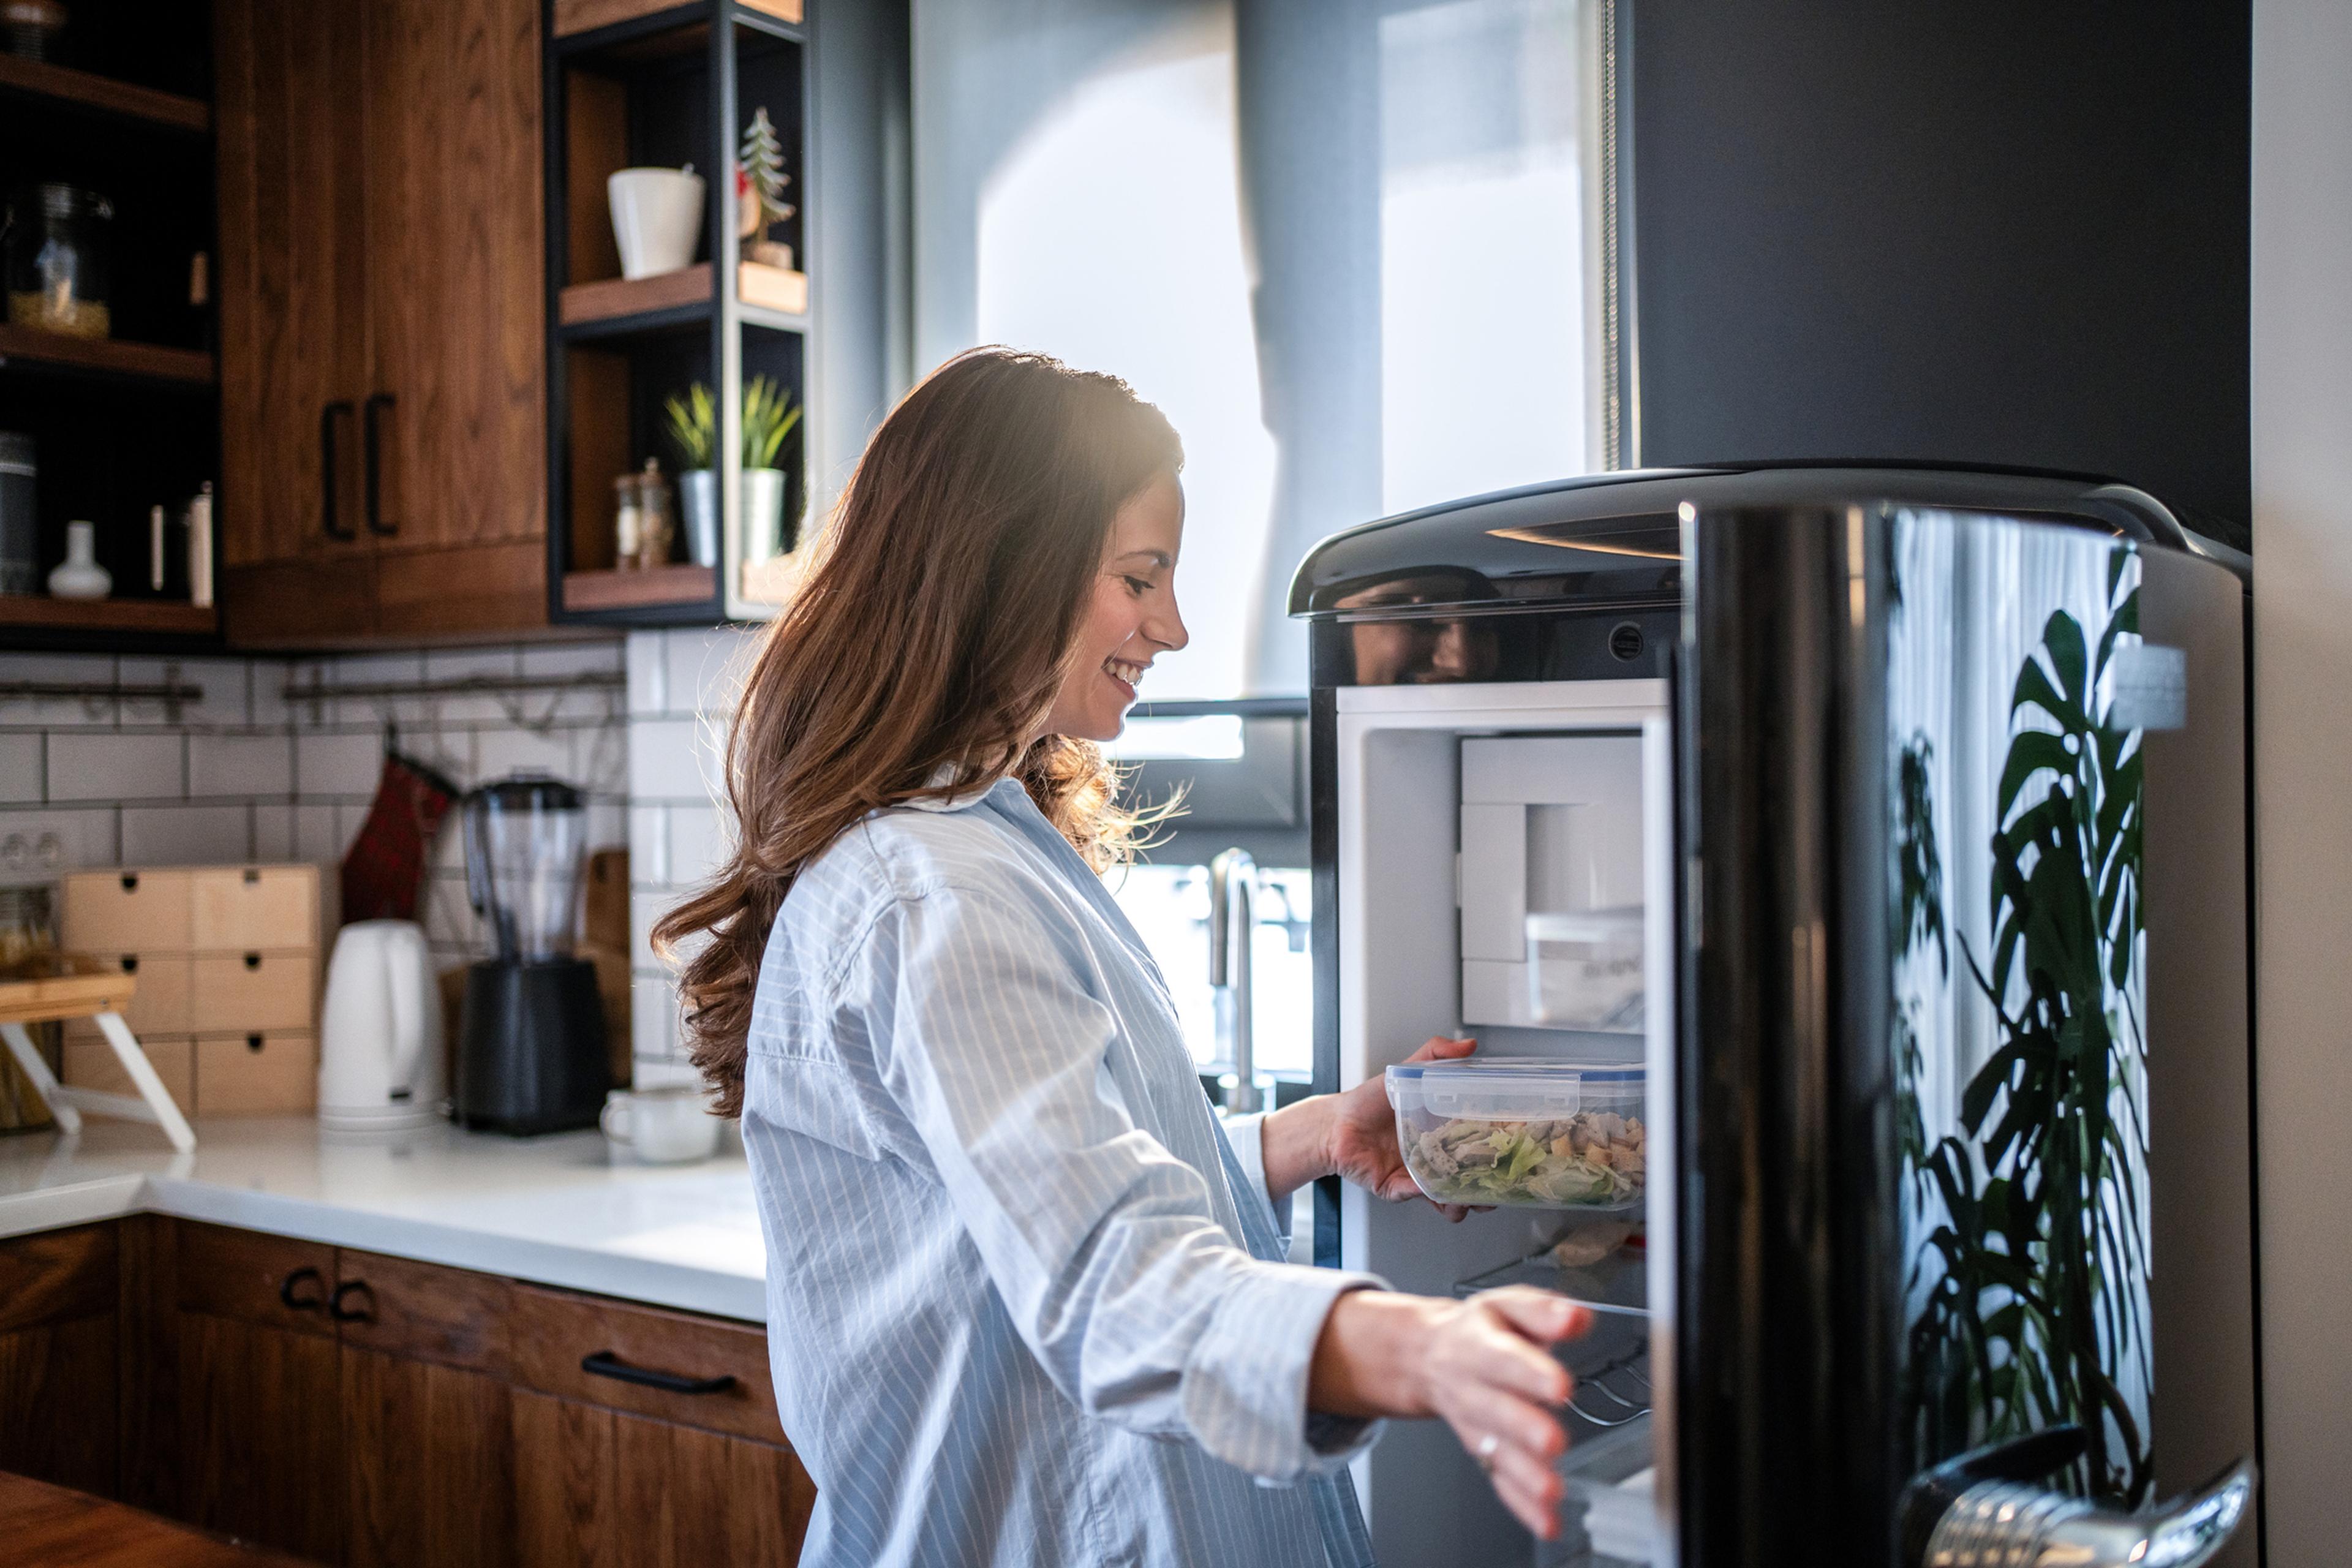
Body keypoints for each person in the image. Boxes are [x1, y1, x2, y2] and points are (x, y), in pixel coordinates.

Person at [655, 348, 1591, 1567]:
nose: (1176, 625)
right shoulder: (935, 892)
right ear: (1005, 571)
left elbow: (1053, 1189)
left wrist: (1307, 1136)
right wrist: (1425, 1349)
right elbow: (1108, 1272)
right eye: (1139, 578)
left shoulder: (984, 848)